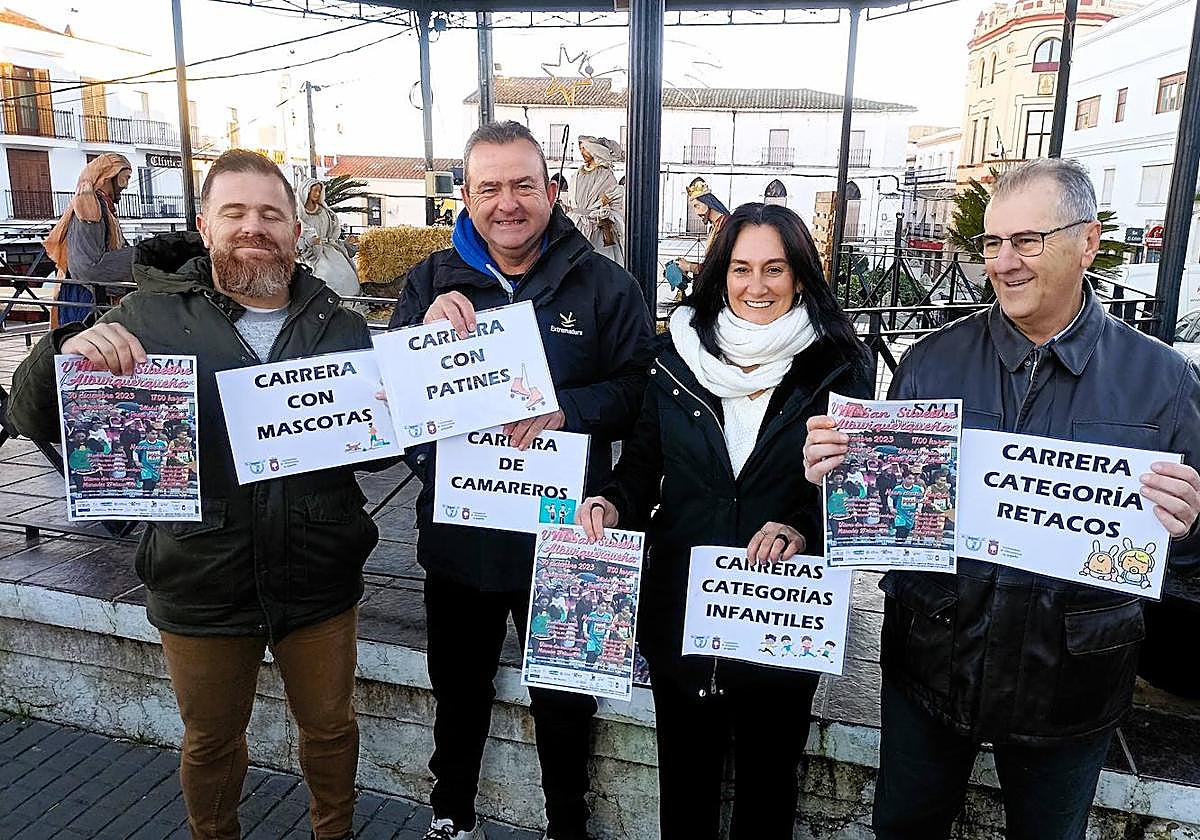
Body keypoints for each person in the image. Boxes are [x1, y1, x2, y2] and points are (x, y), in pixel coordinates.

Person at [801, 158, 1200, 840]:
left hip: (1072, 685)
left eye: (1027, 240)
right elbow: (884, 530)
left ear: (1088, 242)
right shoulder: (931, 361)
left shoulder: (1161, 380)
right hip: (930, 664)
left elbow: (1187, 570)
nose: (1004, 262)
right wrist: (839, 483)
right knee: (904, 828)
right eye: (991, 243)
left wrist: (1187, 531)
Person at [7, 149, 388, 840]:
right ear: (204, 225)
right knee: (211, 742)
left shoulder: (342, 323)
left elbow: (379, 447)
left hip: (320, 571)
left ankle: (336, 832)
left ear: (295, 229)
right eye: (235, 212)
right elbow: (30, 418)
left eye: (271, 213)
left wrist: (405, 403)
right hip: (199, 572)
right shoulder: (146, 315)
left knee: (331, 730)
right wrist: (64, 352)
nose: (254, 226)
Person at [389, 120, 653, 840]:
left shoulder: (605, 284)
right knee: (459, 690)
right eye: (490, 187)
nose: (508, 202)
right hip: (462, 535)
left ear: (552, 190)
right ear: (465, 198)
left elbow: (638, 391)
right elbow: (399, 409)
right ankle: (452, 815)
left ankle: (569, 824)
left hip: (570, 539)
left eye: (523, 185)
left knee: (568, 700)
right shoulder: (429, 284)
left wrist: (570, 411)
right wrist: (423, 349)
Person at [577, 202, 873, 840]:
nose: (756, 287)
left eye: (775, 269)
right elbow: (644, 464)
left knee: (768, 788)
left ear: (800, 275)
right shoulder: (675, 355)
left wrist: (802, 527)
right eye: (741, 269)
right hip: (682, 602)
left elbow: (854, 493)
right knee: (684, 786)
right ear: (720, 272)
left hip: (785, 606)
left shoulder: (838, 364)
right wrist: (610, 501)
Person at [43, 152, 135, 325]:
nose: (126, 185)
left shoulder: (103, 206)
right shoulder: (90, 207)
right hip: (86, 297)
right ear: (108, 178)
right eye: (125, 178)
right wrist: (140, 256)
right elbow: (88, 265)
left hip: (87, 292)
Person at [297, 177, 363, 304]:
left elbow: (332, 236)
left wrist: (345, 243)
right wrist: (309, 242)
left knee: (345, 274)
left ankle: (348, 303)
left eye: (319, 191)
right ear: (306, 192)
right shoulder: (299, 214)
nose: (317, 194)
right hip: (311, 254)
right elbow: (297, 235)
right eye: (314, 191)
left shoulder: (325, 212)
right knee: (326, 275)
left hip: (328, 249)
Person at [566, 135, 625, 266]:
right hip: (576, 223)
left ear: (594, 150)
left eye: (584, 148)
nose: (582, 152)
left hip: (597, 228)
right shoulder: (577, 174)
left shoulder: (605, 175)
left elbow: (615, 200)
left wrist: (604, 209)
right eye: (580, 149)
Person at [673, 177, 730, 283]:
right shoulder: (715, 226)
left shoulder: (726, 226)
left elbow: (718, 268)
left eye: (697, 206)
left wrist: (690, 266)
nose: (696, 212)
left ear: (708, 203)